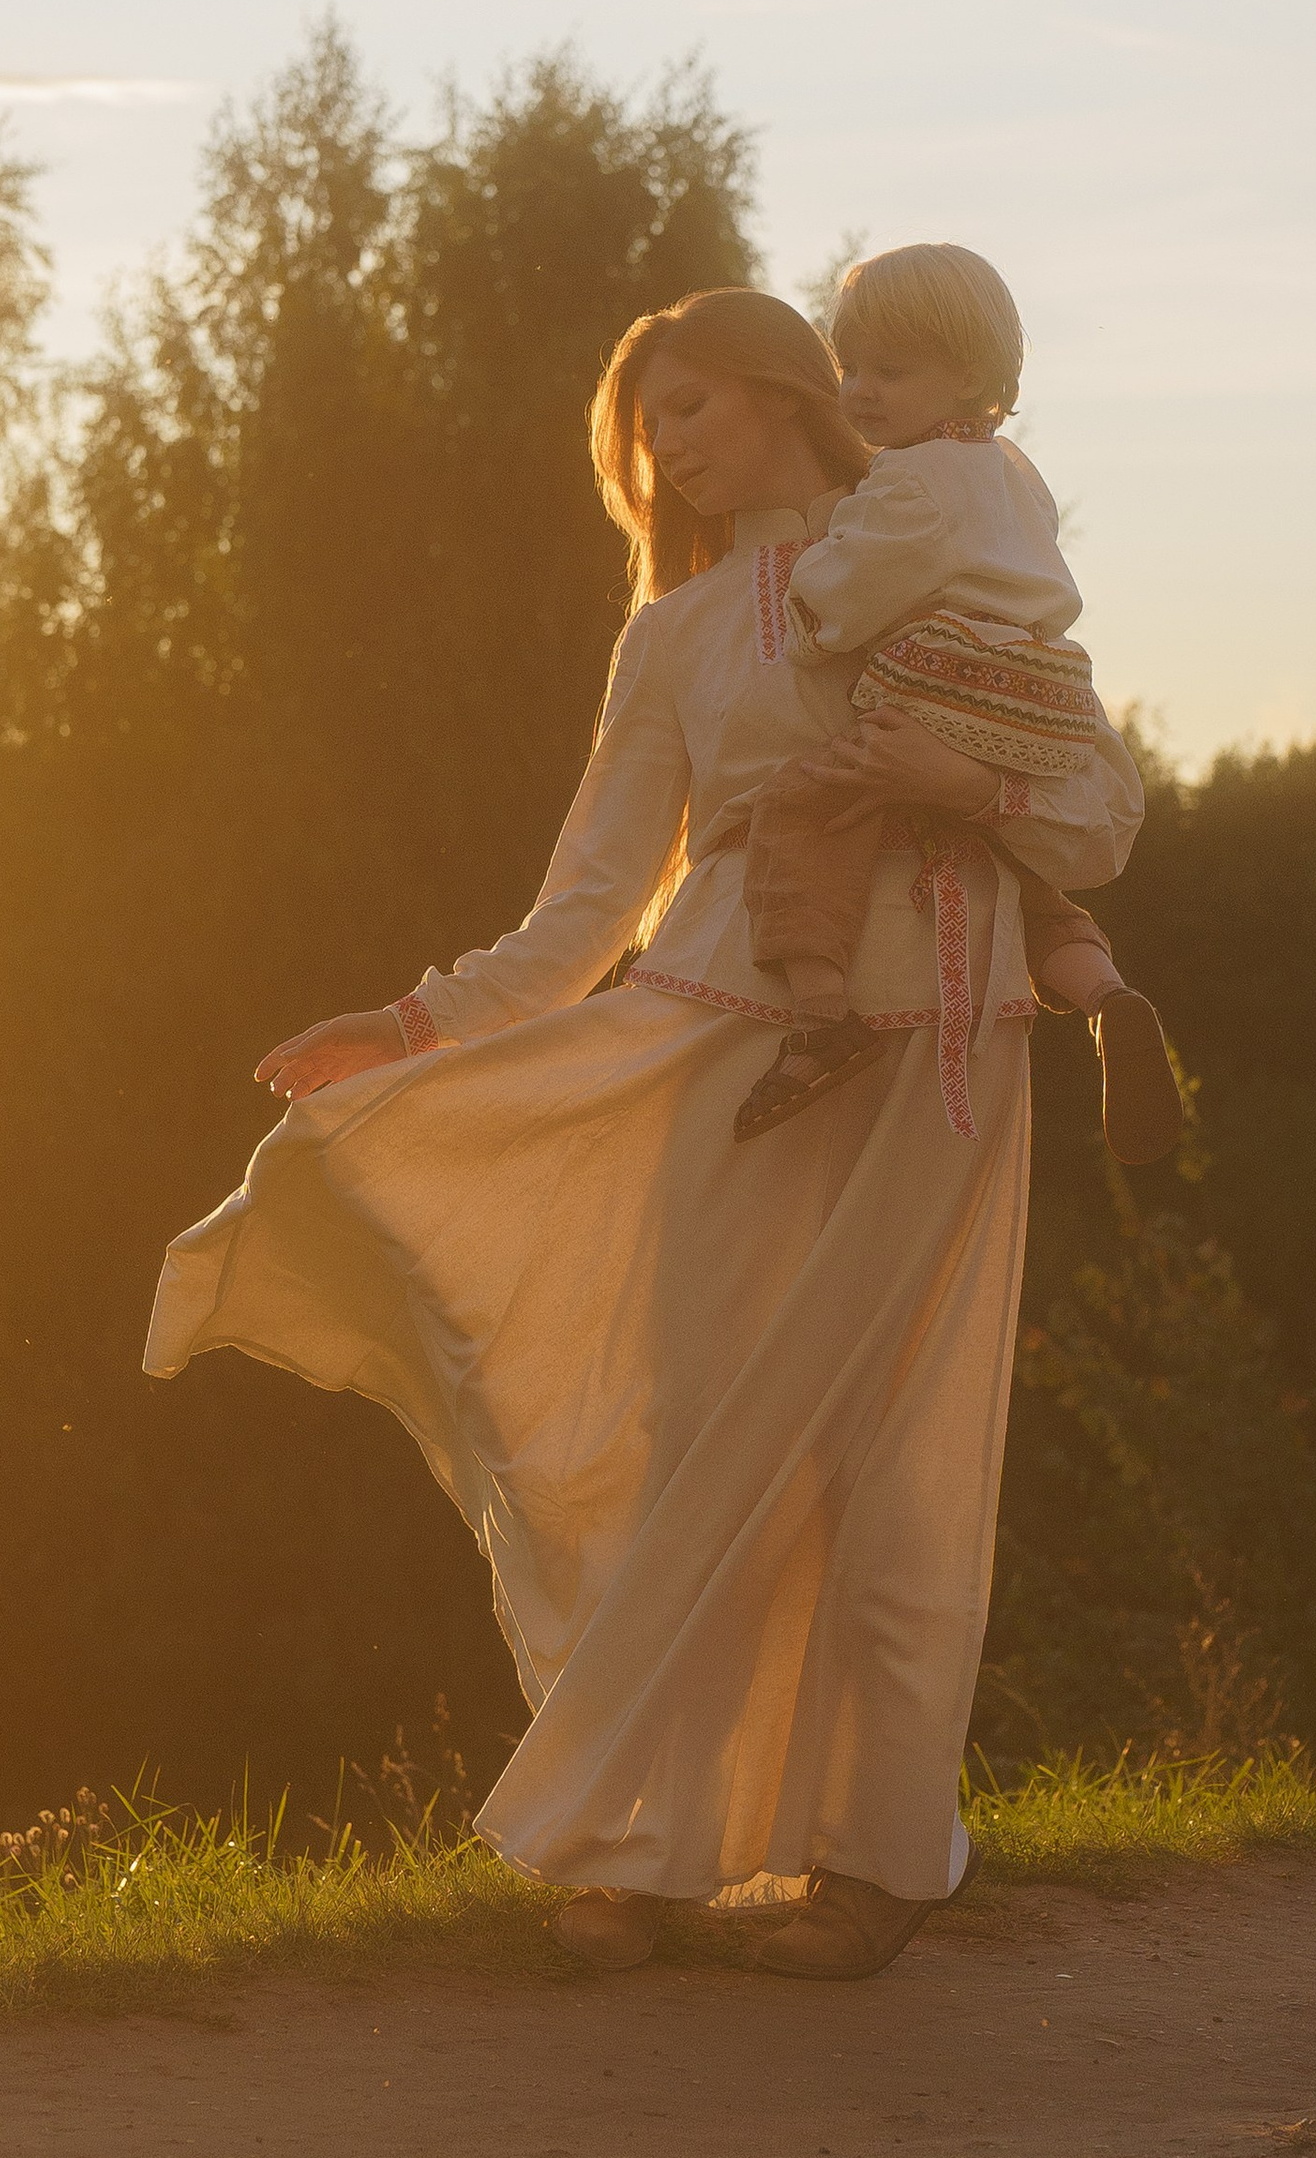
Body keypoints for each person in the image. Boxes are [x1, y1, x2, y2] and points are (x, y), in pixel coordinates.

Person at [144, 287, 1142, 1980]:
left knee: (891, 1464)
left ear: (784, 392)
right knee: (691, 1437)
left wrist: (961, 788)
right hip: (719, 1049)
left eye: (689, 406)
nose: (664, 446)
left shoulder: (934, 534)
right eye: (645, 425)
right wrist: (405, 1030)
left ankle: (880, 1865)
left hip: (938, 1055)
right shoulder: (672, 639)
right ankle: (651, 1851)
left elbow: (1099, 806)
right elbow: (589, 907)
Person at [718, 242, 1183, 1169]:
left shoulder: (909, 482)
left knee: (809, 805)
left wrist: (812, 562)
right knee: (1009, 861)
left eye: (890, 372)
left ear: (970, 376)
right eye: (852, 369)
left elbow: (840, 603)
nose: (860, 393)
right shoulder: (1017, 473)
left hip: (943, 684)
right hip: (1037, 696)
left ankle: (817, 1017)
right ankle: (1104, 994)